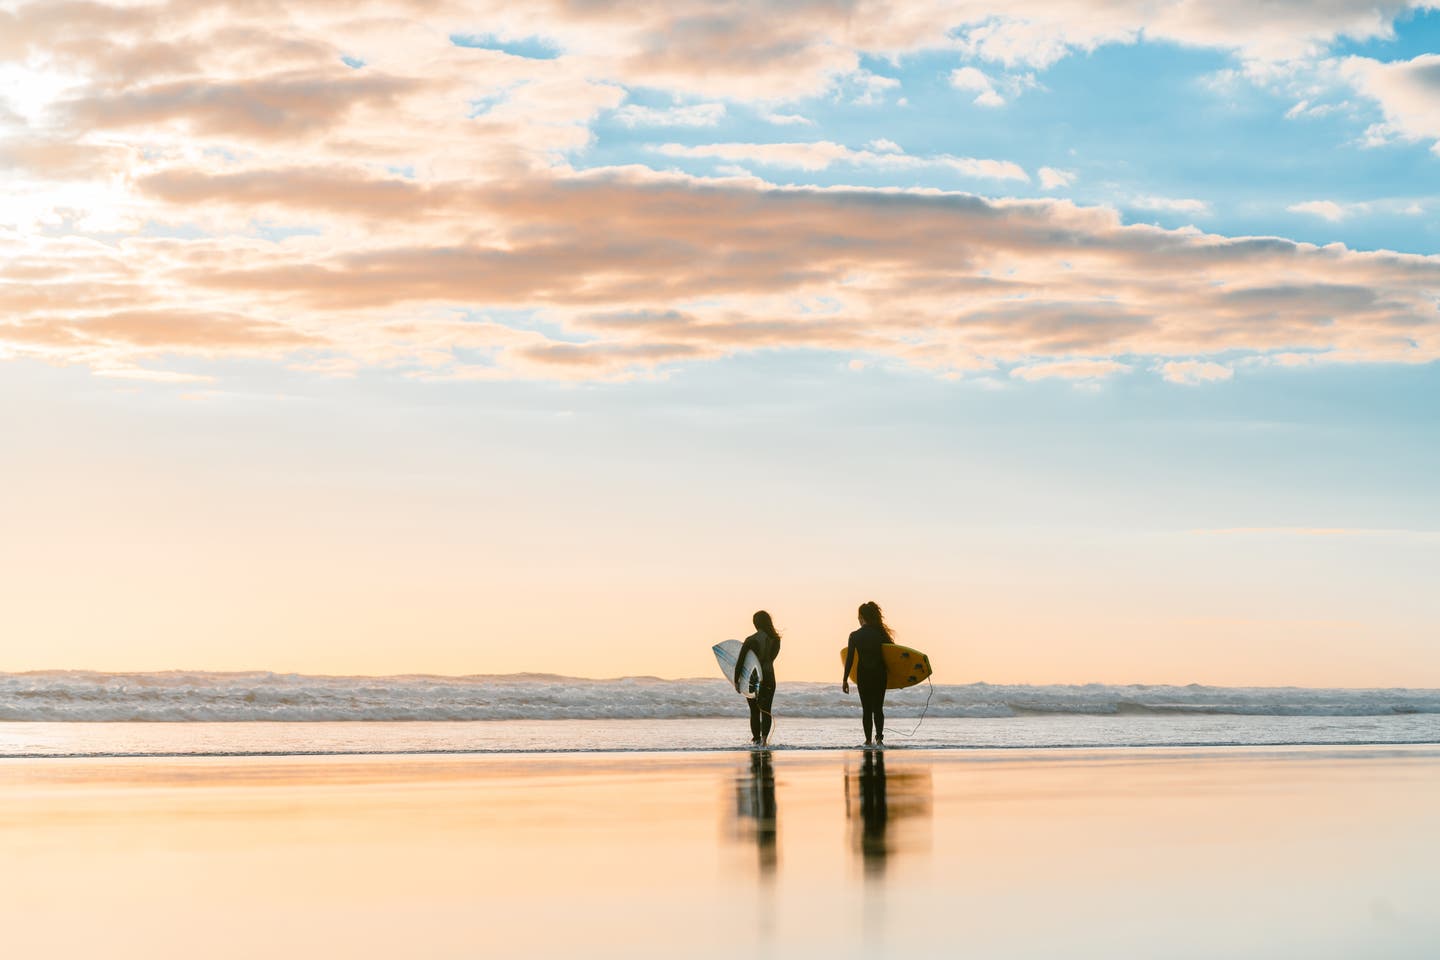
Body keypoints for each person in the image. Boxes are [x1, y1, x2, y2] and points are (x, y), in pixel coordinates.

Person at [842, 600, 893, 747]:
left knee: (866, 709)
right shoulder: (881, 634)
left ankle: (868, 740)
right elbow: (891, 656)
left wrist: (845, 680)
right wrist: (898, 678)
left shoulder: (855, 636)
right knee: (878, 708)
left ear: (862, 617)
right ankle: (879, 739)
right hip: (879, 674)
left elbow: (850, 659)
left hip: (863, 676)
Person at [736, 610, 781, 745]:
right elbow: (772, 658)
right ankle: (764, 740)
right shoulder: (776, 640)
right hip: (769, 677)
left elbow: (741, 661)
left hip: (753, 678)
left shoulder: (750, 640)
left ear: (756, 623)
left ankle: (756, 739)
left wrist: (736, 680)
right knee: (766, 710)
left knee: (754, 711)